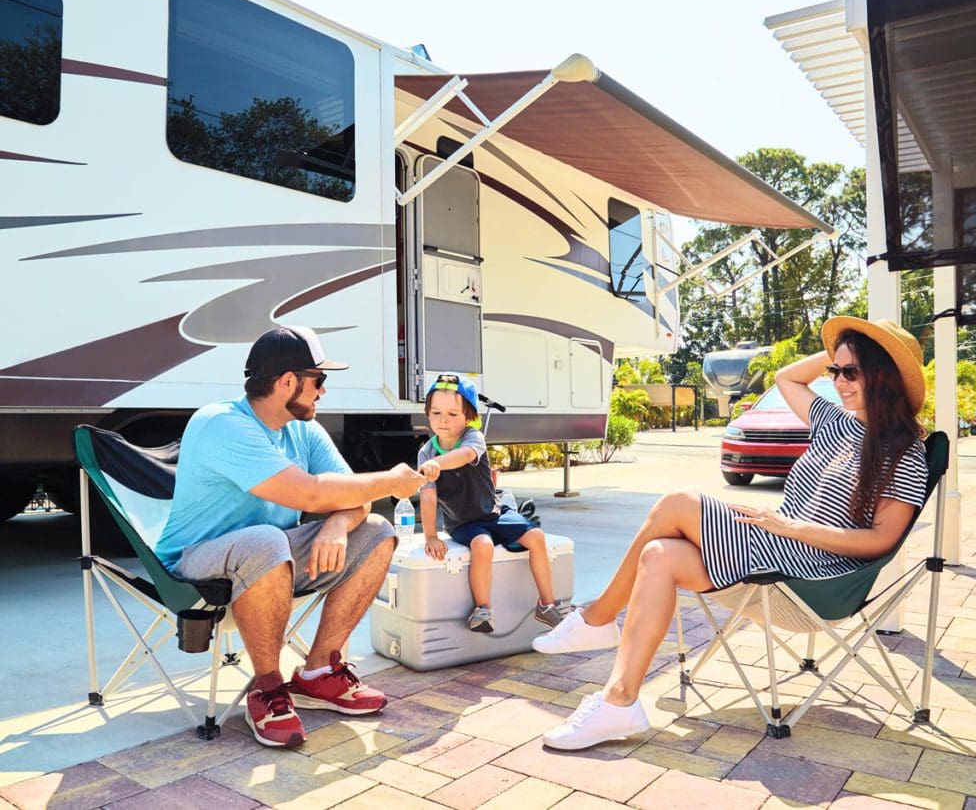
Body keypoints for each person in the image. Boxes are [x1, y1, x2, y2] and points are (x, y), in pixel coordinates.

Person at [535, 317, 929, 750]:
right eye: (835, 372)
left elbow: (881, 540)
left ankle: (597, 617)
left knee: (676, 504)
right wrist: (843, 348)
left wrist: (791, 527)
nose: (838, 382)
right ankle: (619, 702)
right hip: (775, 543)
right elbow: (787, 378)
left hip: (812, 573)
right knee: (659, 555)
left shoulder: (903, 453)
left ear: (884, 374)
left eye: (850, 372)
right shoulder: (838, 423)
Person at [154, 326, 426, 748]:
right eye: (319, 381)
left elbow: (352, 494)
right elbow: (310, 492)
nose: (322, 392)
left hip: (271, 557)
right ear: (287, 382)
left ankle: (317, 673)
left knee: (375, 532)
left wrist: (338, 523)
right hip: (194, 564)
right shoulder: (221, 425)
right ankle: (267, 686)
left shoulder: (304, 430)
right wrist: (391, 480)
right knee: (266, 538)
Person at [416, 373, 567, 633]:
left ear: (469, 417)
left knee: (537, 536)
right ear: (427, 413)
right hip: (463, 522)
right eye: (436, 412)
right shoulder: (426, 452)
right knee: (482, 545)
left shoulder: (473, 438)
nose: (443, 419)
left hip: (494, 512)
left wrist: (436, 464)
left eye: (453, 414)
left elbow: (464, 456)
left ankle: (547, 604)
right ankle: (483, 609)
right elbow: (428, 496)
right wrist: (430, 536)